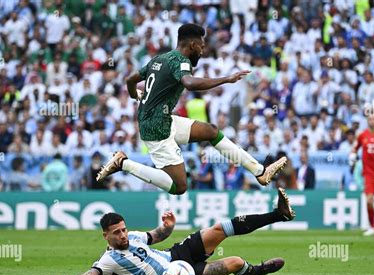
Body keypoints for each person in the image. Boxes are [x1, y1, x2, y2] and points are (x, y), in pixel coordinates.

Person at [96, 23, 287, 195]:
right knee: (180, 187)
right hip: (157, 128)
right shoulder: (181, 61)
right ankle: (123, 163)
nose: (203, 51)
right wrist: (226, 79)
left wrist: (135, 95)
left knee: (211, 131)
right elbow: (189, 83)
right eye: (202, 47)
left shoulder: (159, 59)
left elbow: (130, 80)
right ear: (193, 45)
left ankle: (260, 172)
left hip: (163, 120)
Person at [60, 188, 295, 275]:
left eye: (123, 229)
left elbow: (156, 236)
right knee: (235, 262)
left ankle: (278, 214)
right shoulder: (109, 260)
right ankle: (258, 270)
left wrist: (168, 227)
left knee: (217, 229)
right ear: (106, 236)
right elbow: (93, 274)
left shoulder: (133, 237)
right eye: (116, 232)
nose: (122, 235)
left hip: (175, 255)